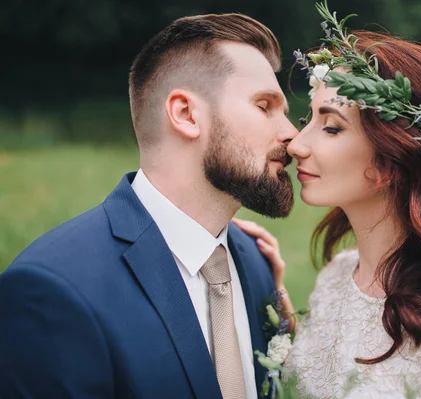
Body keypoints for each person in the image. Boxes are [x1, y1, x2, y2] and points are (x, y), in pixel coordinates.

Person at [233, 4, 421, 398]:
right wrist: (271, 293)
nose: (297, 142)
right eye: (309, 118)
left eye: (330, 127)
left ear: (392, 160)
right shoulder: (338, 276)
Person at [0, 13, 297, 399]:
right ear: (186, 114)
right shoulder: (53, 291)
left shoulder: (257, 264)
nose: (291, 134)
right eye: (264, 106)